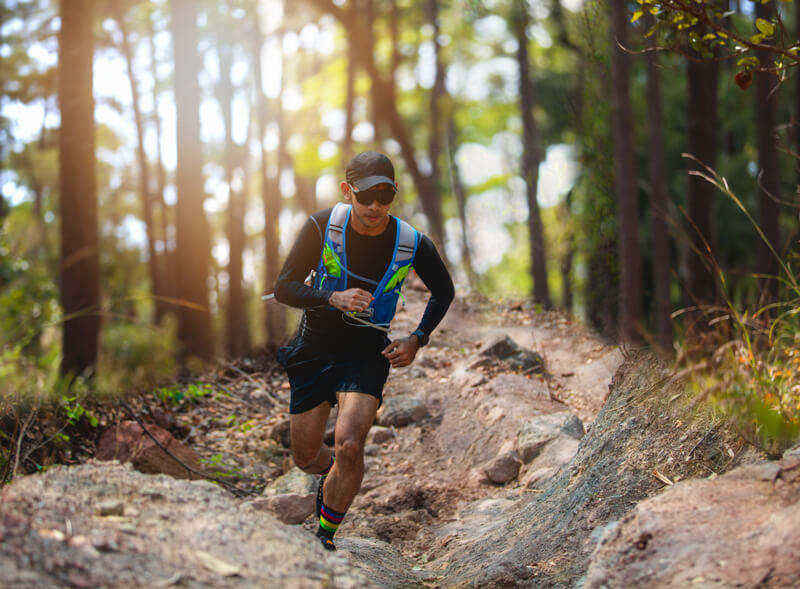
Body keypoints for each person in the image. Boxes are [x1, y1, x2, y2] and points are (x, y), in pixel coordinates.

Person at [273, 151, 454, 551]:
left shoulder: (411, 241)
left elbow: (445, 291)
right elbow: (285, 286)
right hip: (313, 347)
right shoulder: (321, 226)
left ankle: (325, 536)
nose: (375, 206)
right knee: (305, 457)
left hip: (366, 352)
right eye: (366, 196)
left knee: (350, 444)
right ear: (347, 191)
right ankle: (336, 474)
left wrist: (417, 339)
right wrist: (331, 296)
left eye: (385, 195)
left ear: (393, 194)